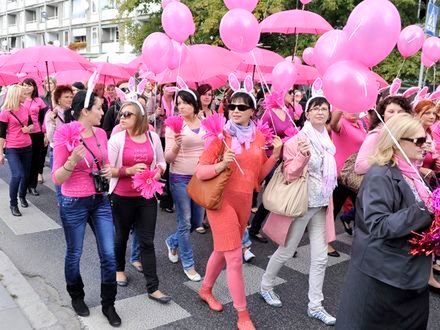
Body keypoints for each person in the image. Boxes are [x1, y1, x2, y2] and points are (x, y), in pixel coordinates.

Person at [336, 113, 433, 329]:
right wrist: (424, 208)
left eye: (425, 138)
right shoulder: (381, 174)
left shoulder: (414, 173)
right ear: (397, 142)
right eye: (418, 140)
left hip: (410, 275)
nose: (425, 144)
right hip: (383, 276)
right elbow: (379, 225)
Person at [195, 89, 282, 330]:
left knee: (222, 251)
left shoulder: (259, 138)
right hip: (221, 201)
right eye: (232, 106)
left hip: (243, 202)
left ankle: (205, 290)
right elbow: (201, 172)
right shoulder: (220, 136)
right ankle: (242, 314)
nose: (235, 110)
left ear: (252, 112)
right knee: (234, 257)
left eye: (242, 107)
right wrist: (222, 163)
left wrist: (274, 156)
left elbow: (257, 177)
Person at [260, 96, 337, 326]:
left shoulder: (327, 139)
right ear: (307, 113)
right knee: (286, 250)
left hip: (322, 205)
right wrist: (303, 156)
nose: (320, 112)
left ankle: (315, 305)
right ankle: (266, 285)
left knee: (320, 258)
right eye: (315, 108)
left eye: (324, 108)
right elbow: (289, 174)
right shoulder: (296, 140)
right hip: (302, 205)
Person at [52, 90, 121, 327]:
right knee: (75, 253)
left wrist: (108, 171)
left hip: (100, 200)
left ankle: (108, 304)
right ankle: (76, 295)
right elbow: (58, 178)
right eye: (100, 108)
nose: (103, 112)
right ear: (85, 111)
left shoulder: (101, 132)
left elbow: (107, 164)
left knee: (109, 255)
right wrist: (71, 161)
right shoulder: (65, 133)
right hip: (73, 202)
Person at [108, 100, 171, 303]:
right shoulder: (116, 139)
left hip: (146, 197)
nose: (123, 117)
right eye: (122, 114)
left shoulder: (152, 137)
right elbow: (108, 171)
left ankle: (153, 288)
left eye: (128, 114)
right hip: (122, 197)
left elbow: (161, 161)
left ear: (140, 118)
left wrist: (158, 171)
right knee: (121, 237)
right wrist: (129, 170)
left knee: (147, 241)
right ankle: (119, 269)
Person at [164, 88, 205, 282]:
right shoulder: (174, 126)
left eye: (185, 102)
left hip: (201, 178)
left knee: (197, 221)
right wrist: (177, 144)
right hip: (179, 178)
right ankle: (188, 264)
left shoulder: (204, 123)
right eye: (178, 103)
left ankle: (172, 241)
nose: (180, 106)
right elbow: (168, 158)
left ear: (194, 104)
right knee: (185, 221)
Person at [328, 111, 367, 256]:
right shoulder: (342, 123)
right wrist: (339, 105)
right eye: (351, 108)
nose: (354, 111)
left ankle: (363, 243)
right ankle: (325, 242)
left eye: (356, 108)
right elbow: (333, 124)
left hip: (356, 175)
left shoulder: (360, 125)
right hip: (342, 175)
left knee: (361, 209)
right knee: (333, 209)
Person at [0, 85, 33, 216]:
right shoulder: (5, 112)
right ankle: (13, 204)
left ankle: (22, 196)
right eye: (23, 95)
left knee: (25, 174)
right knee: (17, 174)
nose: (26, 96)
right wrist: (0, 154)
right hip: (12, 147)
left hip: (27, 146)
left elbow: (31, 123)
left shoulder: (25, 108)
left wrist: (28, 128)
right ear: (16, 95)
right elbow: (1, 135)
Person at [44, 85, 74, 203]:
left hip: (73, 151)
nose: (70, 99)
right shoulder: (51, 114)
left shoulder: (74, 112)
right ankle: (62, 205)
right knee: (60, 182)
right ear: (58, 99)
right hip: (58, 151)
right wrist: (52, 122)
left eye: (71, 96)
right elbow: (51, 138)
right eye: (66, 97)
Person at [21, 78, 48, 196]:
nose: (27, 87)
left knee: (36, 160)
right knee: (25, 161)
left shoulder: (39, 101)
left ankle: (32, 186)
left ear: (34, 87)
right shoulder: (19, 100)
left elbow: (44, 119)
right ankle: (24, 185)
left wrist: (45, 134)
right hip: (23, 134)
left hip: (37, 134)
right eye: (25, 85)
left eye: (30, 85)